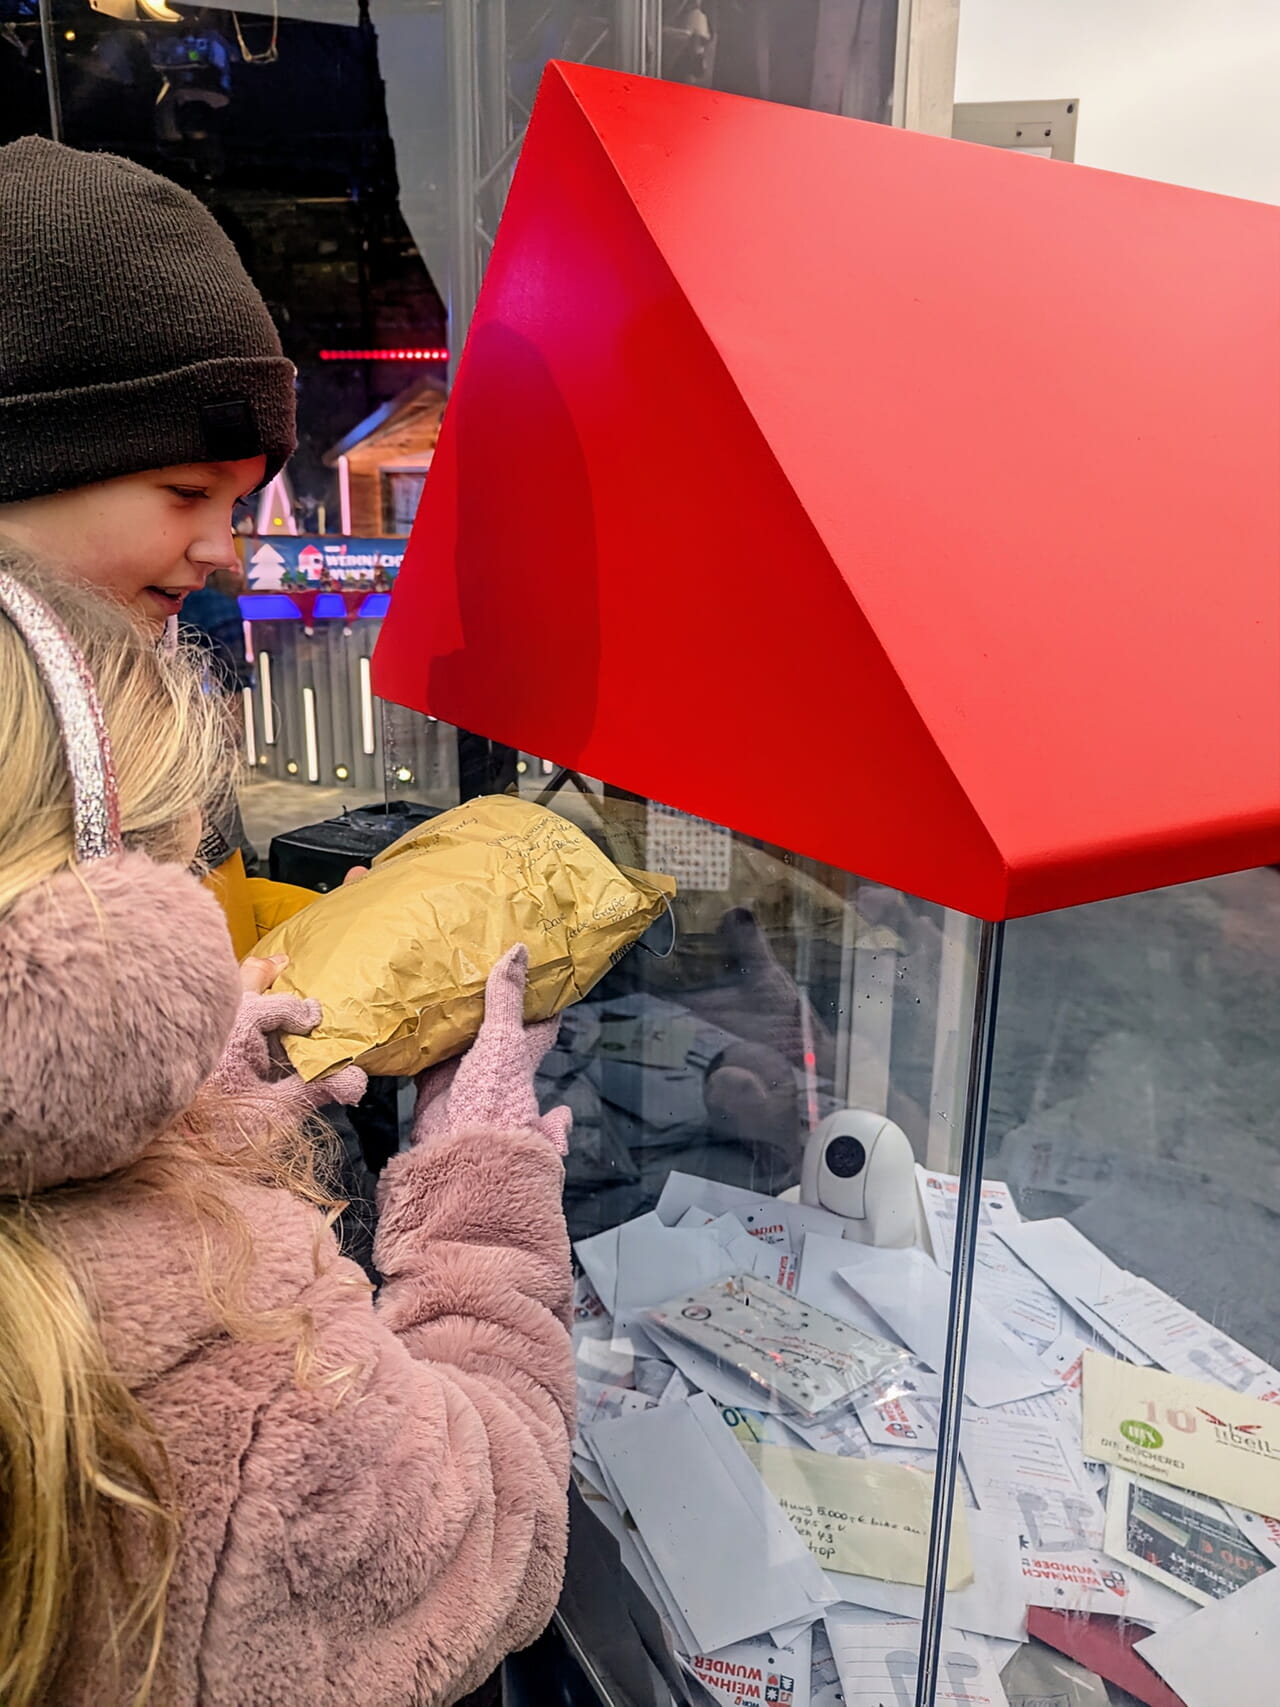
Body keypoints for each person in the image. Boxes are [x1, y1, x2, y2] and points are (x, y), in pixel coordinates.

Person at [0, 553, 575, 1706]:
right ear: (92, 947)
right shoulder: (223, 1357)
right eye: (167, 868)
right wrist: (479, 1184)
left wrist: (172, 1117)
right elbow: (494, 1532)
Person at [0, 132, 300, 960]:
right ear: (26, 468)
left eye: (237, 502)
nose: (223, 549)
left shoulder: (148, 691)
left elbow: (208, 914)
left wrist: (319, 931)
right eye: (189, 493)